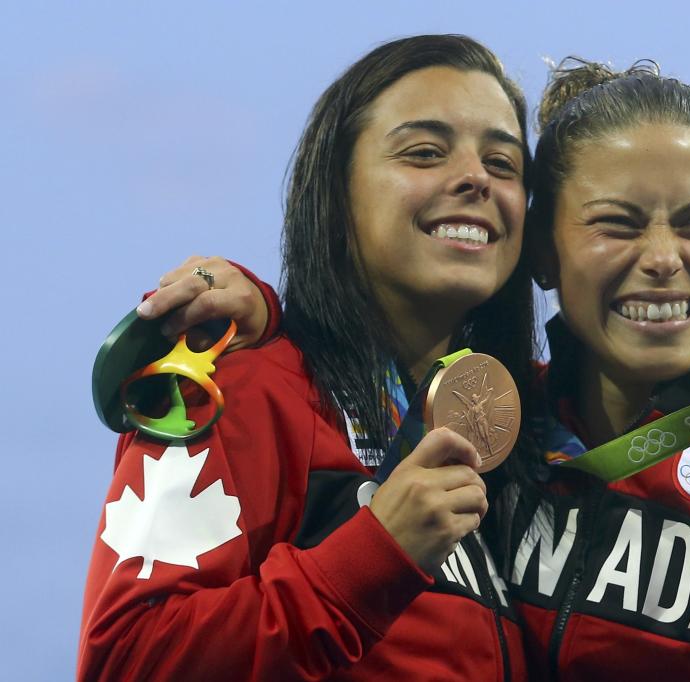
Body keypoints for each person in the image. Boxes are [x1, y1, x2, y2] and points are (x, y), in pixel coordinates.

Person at [135, 59, 690, 680]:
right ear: (540, 253)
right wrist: (278, 322)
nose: (664, 260)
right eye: (616, 224)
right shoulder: (490, 425)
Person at [79, 34, 539, 681]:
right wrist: (372, 557)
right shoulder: (233, 393)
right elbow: (129, 659)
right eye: (425, 152)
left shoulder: (527, 436)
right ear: (336, 193)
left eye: (505, 163)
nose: (475, 178)